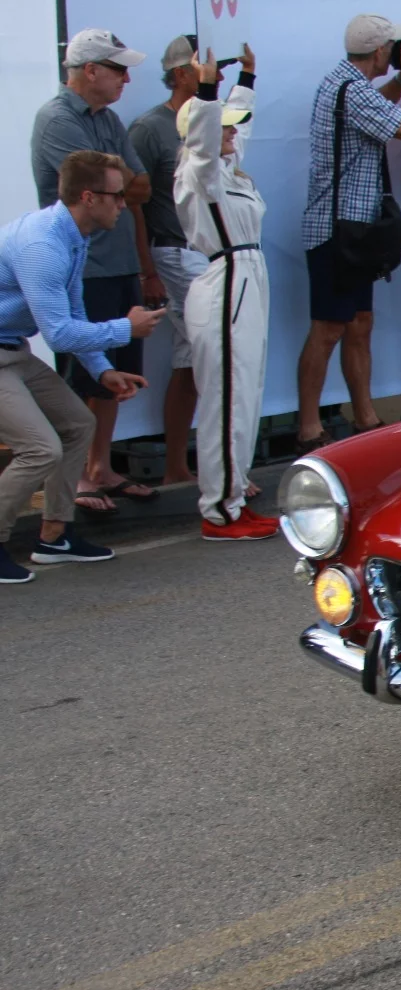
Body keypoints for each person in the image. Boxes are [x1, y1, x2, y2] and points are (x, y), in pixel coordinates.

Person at [0, 150, 161, 582]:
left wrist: (102, 370)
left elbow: (74, 314)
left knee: (77, 424)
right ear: (88, 197)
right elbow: (58, 335)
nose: (124, 204)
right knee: (40, 448)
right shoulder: (42, 246)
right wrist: (126, 329)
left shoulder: (72, 236)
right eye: (117, 196)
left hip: (10, 349)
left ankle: (54, 537)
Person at [31, 28, 160, 515]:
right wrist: (121, 185)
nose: (127, 79)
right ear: (90, 70)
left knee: (115, 372)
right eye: (118, 69)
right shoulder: (56, 119)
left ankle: (100, 466)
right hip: (84, 266)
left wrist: (121, 189)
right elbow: (110, 186)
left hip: (118, 261)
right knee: (83, 373)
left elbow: (138, 188)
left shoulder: (107, 119)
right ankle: (77, 476)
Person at [295, 16, 401, 452]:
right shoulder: (353, 91)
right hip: (338, 230)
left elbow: (379, 108)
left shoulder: (347, 84)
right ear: (379, 51)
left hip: (351, 228)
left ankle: (366, 418)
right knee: (328, 328)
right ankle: (308, 427)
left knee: (358, 324)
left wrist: (400, 79)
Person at [130, 35, 254, 487]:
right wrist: (147, 269)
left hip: (205, 256)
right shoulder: (150, 128)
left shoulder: (219, 126)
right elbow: (134, 202)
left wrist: (248, 79)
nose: (217, 76)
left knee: (193, 361)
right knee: (214, 358)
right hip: (177, 252)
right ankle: (217, 473)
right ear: (183, 73)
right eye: (209, 70)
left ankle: (188, 467)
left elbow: (236, 132)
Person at [173, 50, 275, 541]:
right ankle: (219, 510)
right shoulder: (200, 173)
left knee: (245, 394)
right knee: (227, 399)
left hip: (246, 279)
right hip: (226, 283)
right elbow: (203, 141)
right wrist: (207, 90)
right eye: (223, 127)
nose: (233, 132)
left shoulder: (228, 170)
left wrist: (246, 78)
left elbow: (241, 129)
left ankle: (234, 496)